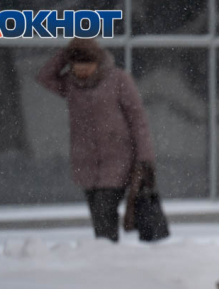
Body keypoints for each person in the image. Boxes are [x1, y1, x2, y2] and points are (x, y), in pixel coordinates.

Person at [37, 39, 155, 242]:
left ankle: (107, 258)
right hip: (85, 162)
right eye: (77, 67)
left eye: (87, 67)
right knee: (99, 215)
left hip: (117, 161)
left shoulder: (119, 80)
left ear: (98, 62)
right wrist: (66, 54)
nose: (82, 72)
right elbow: (45, 77)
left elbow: (137, 119)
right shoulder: (71, 84)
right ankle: (106, 255)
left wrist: (145, 157)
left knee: (104, 212)